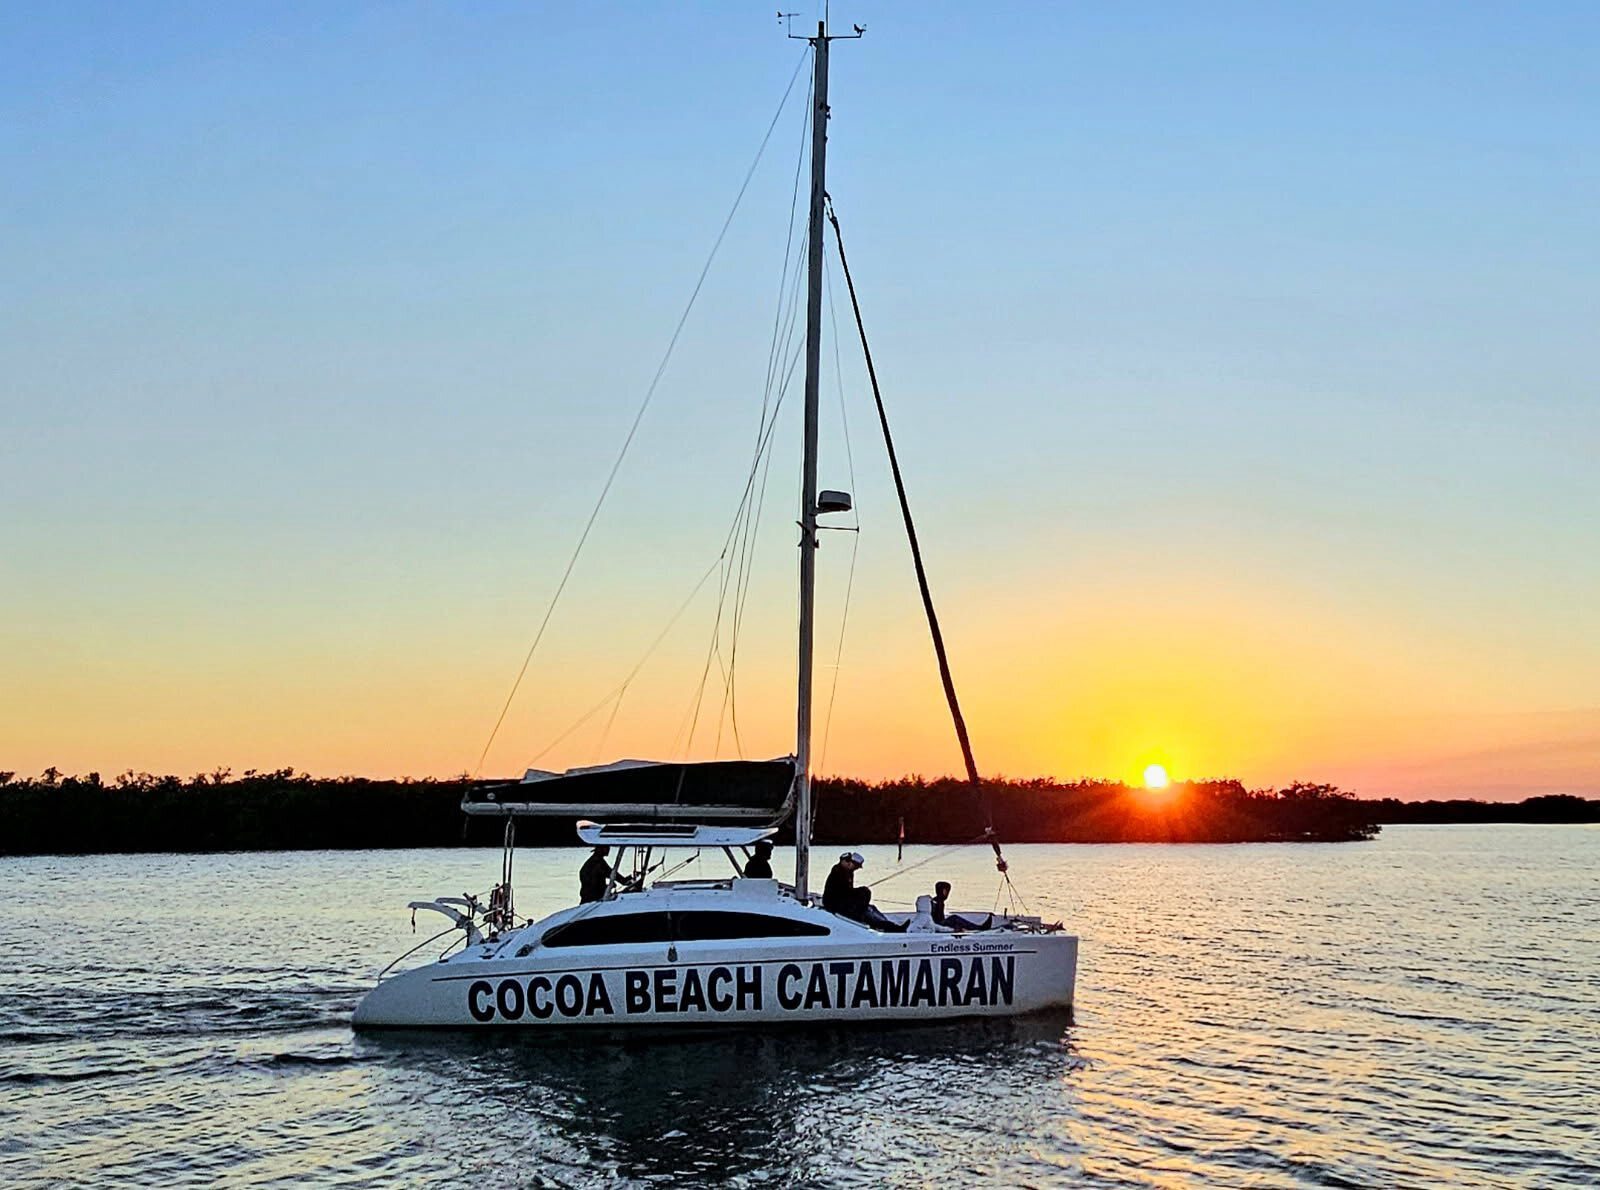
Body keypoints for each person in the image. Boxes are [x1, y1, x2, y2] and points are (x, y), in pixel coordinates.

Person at [823, 852, 906, 931]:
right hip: (835, 904)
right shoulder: (838, 871)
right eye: (855, 866)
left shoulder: (848, 872)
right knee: (865, 904)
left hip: (842, 901)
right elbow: (842, 892)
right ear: (847, 862)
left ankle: (892, 926)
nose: (856, 869)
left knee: (871, 907)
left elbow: (848, 891)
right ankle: (890, 927)